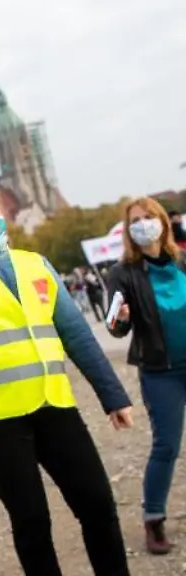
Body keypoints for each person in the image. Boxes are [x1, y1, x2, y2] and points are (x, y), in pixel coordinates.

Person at [0, 187, 133, 575]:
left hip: (54, 407)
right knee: (32, 522)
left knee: (98, 505)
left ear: (3, 215)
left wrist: (112, 396)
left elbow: (77, 334)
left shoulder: (37, 265)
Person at [106, 197, 186, 554]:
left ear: (163, 222)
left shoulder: (183, 259)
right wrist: (121, 318)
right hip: (161, 371)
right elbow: (115, 328)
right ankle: (154, 519)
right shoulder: (122, 273)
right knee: (167, 445)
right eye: (135, 221)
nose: (143, 225)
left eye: (148, 217)